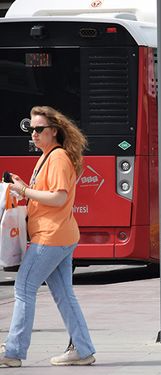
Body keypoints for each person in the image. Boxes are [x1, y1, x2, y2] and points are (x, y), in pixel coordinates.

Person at [0, 106, 96, 367]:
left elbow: (59, 197)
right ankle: (83, 350)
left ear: (54, 131)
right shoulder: (47, 156)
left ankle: (13, 353)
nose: (34, 134)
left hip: (50, 237)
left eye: (39, 129)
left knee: (23, 288)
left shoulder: (58, 158)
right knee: (64, 293)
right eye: (32, 129)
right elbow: (49, 193)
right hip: (61, 235)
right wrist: (26, 188)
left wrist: (26, 191)